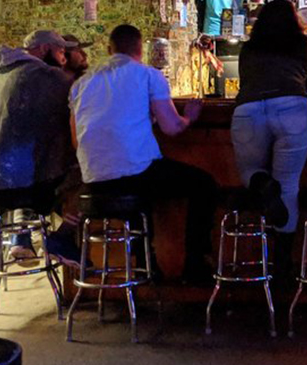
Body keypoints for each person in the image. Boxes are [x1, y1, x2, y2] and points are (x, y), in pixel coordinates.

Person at [69, 24, 217, 282]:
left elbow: (75, 140)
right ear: (141, 49)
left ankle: (146, 267)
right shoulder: (148, 75)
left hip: (92, 180)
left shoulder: (81, 84)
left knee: (141, 193)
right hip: (136, 174)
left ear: (108, 49)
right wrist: (189, 118)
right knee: (204, 185)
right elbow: (172, 128)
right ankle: (194, 265)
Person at [0, 31, 76, 260]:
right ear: (45, 49)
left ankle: (20, 237)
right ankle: (64, 237)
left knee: (26, 171)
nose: (64, 58)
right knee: (87, 176)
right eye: (61, 51)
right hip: (24, 183)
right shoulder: (48, 77)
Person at [231, 0, 307, 282]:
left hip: (249, 108)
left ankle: (263, 185)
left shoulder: (250, 48)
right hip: (293, 106)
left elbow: (244, 81)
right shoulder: (303, 45)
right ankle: (282, 265)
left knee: (249, 171)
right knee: (289, 185)